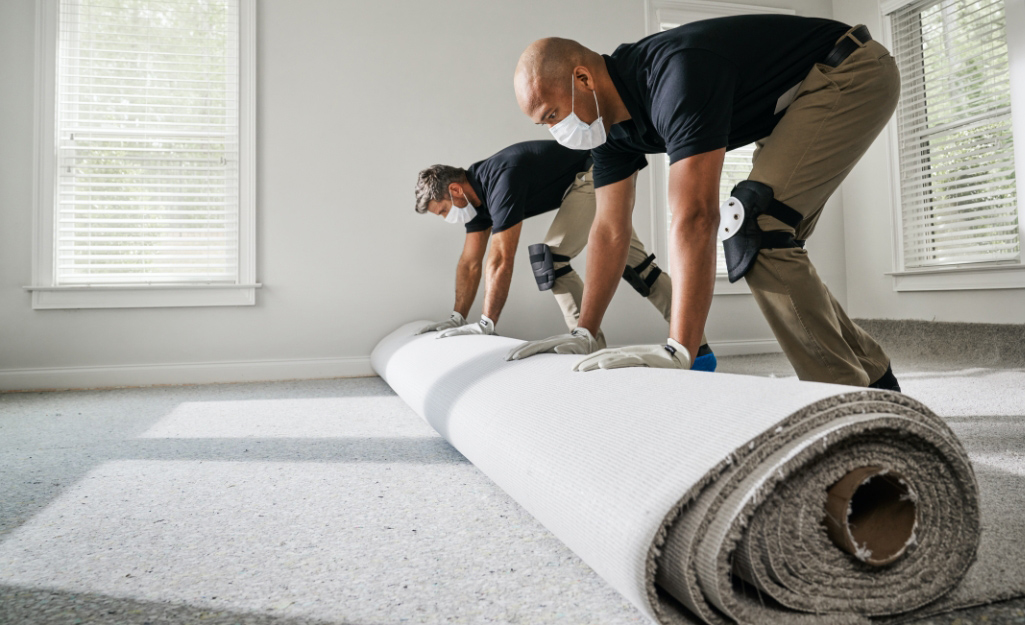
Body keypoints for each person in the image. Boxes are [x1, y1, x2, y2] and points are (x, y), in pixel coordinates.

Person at [507, 15, 901, 390]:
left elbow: (695, 214)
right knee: (769, 235)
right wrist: (586, 332)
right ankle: (877, 381)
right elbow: (610, 231)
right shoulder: (608, 132)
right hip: (793, 103)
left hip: (848, 70)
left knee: (755, 226)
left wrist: (680, 347)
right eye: (545, 125)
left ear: (582, 78)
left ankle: (846, 405)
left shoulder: (675, 75)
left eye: (553, 115)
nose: (555, 131)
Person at [414, 140, 716, 371]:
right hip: (589, 176)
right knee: (640, 268)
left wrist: (485, 323)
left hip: (600, 169)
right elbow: (469, 263)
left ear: (454, 190)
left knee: (551, 259)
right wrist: (457, 318)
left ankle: (589, 346)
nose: (447, 218)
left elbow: (501, 258)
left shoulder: (500, 180)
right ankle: (699, 352)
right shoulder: (476, 203)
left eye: (443, 211)